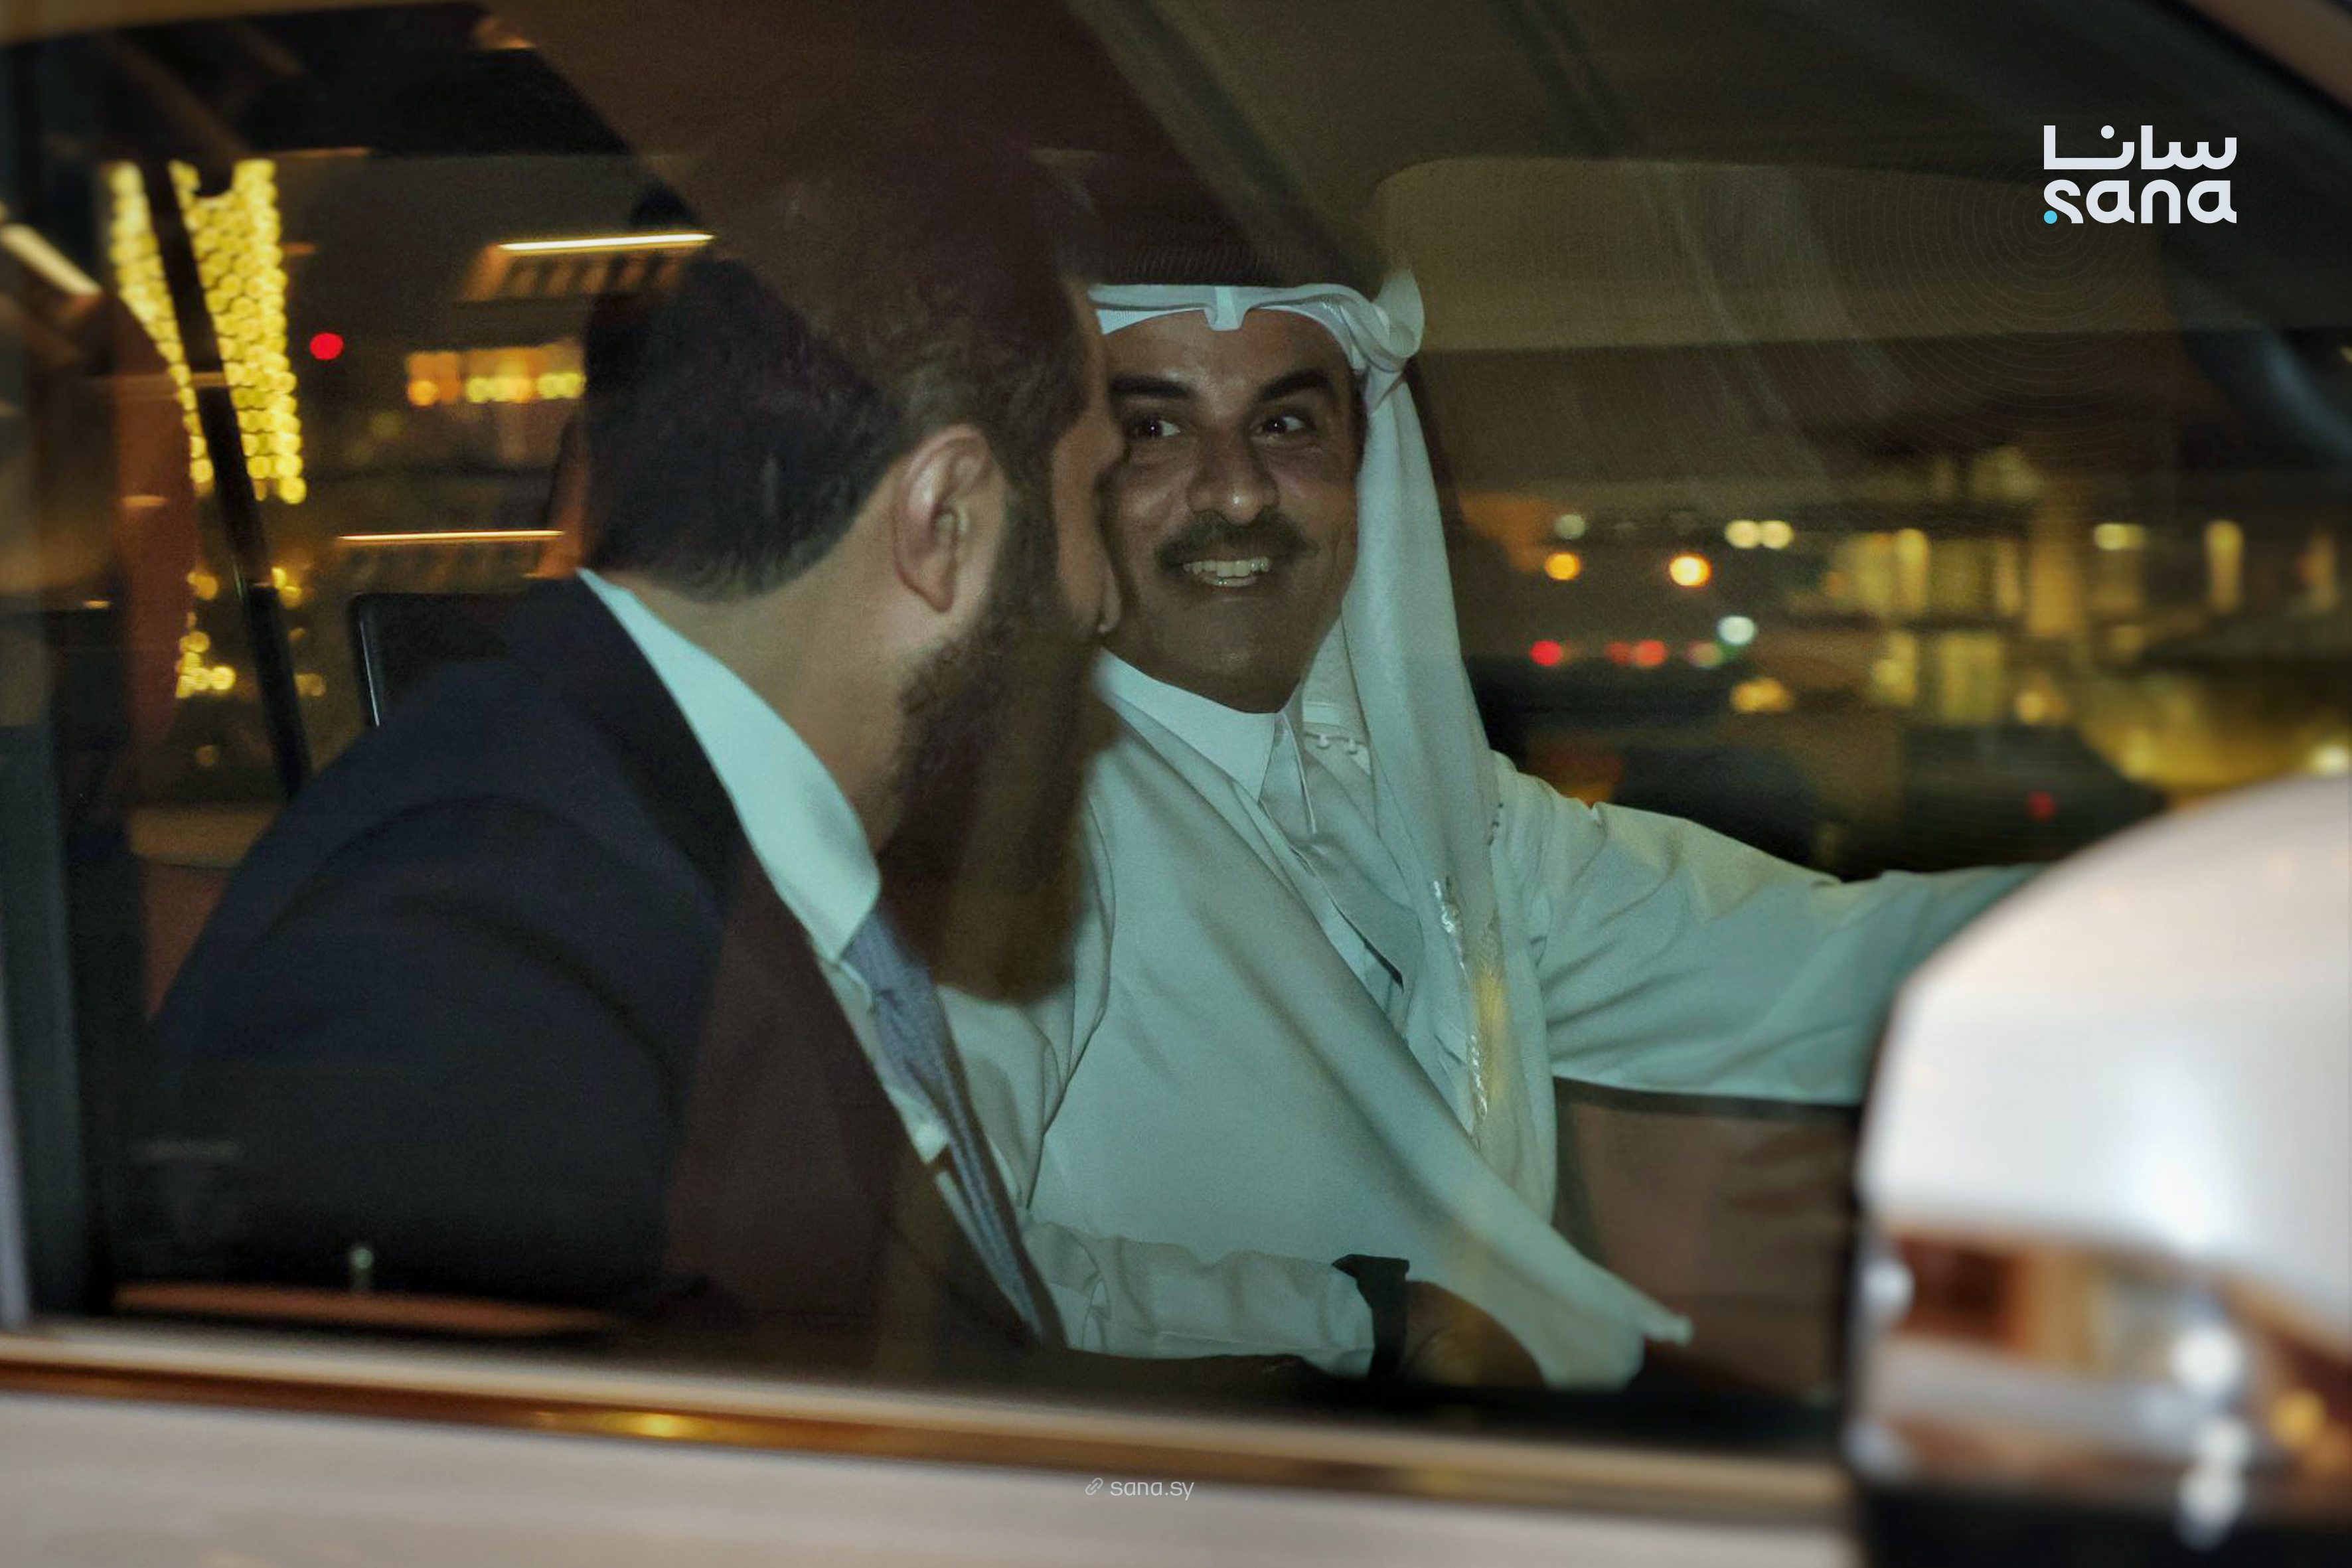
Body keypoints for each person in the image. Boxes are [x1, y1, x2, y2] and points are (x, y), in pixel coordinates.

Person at [933, 204, 2034, 1386]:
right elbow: (932, 1262)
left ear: (1362, 469)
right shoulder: (1024, 831)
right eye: (1155, 430)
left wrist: (2159, 920)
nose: (1238, 493)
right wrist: (1365, 1323)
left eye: (1287, 425)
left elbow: (1830, 970)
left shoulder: (1438, 820)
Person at [133, 144, 1127, 1377]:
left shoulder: (622, 851)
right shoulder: (483, 949)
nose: (1102, 596)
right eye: (1093, 501)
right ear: (945, 520)